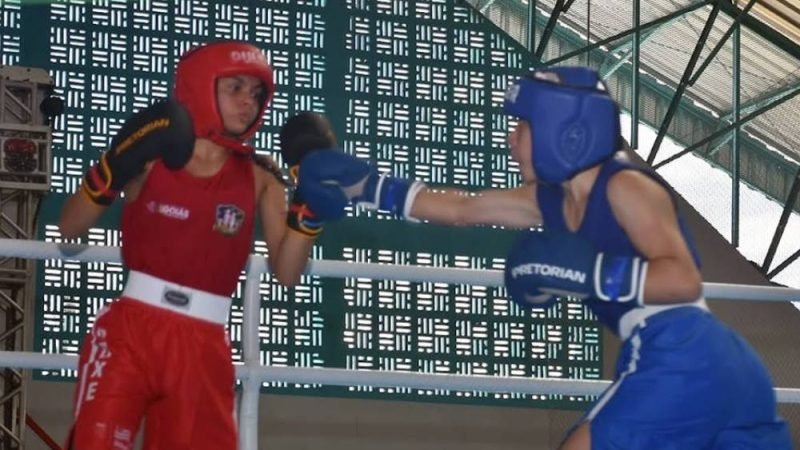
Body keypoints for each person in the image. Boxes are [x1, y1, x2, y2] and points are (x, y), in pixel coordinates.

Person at [291, 67, 792, 449]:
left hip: (681, 350)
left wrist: (591, 273)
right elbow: (462, 208)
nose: (510, 140)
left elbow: (683, 280)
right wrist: (367, 186)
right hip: (721, 368)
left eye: (521, 127)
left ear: (563, 129)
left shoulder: (627, 187)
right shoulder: (550, 200)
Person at [58, 40, 328, 450]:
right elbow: (70, 228)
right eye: (234, 88)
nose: (248, 103)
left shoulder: (262, 179)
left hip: (204, 345)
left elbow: (288, 274)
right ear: (200, 85)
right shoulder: (152, 156)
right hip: (130, 332)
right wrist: (114, 166)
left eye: (256, 94)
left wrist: (311, 210)